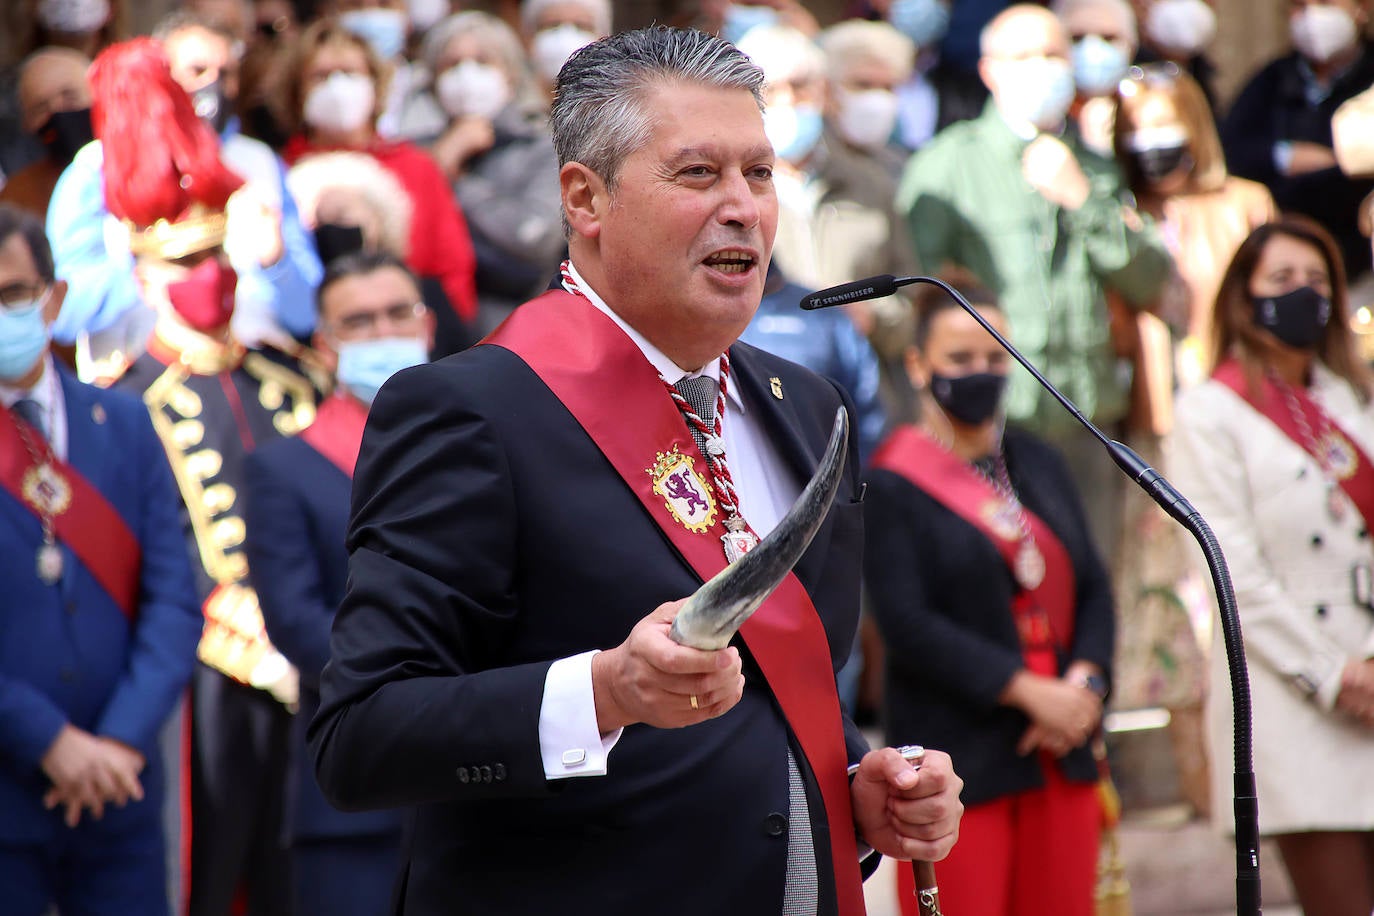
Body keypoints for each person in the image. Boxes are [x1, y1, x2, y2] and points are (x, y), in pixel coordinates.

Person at [309, 26, 963, 915]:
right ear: (586, 198)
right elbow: (361, 737)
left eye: (760, 174)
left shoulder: (806, 406)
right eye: (698, 174)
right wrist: (605, 693)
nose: (743, 207)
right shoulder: (472, 410)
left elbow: (786, 692)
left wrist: (857, 780)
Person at [87, 39, 317, 916]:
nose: (211, 279)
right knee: (209, 870)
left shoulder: (288, 379)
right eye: (187, 263)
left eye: (220, 255)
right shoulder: (123, 399)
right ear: (143, 270)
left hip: (315, 663)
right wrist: (246, 630)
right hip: (200, 679)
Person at [863, 277, 1113, 916]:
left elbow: (1092, 584)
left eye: (995, 358)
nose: (981, 373)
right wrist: (1032, 694)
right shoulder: (892, 481)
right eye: (960, 359)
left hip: (1062, 744)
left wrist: (1083, 688)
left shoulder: (1039, 460)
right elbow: (907, 623)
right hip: (962, 752)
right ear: (918, 366)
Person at [897, 3, 1171, 558]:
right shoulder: (945, 168)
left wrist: (1081, 199)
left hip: (1089, 426)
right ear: (989, 69)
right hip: (989, 427)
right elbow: (918, 302)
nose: (1042, 68)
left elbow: (1151, 279)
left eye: (1053, 55)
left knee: (1093, 584)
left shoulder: (1096, 169)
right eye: (1024, 56)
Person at [0, 203, 202, 916]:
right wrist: (50, 741)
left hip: (121, 791)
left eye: (12, 295)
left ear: (53, 299)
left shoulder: (121, 421)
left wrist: (118, 740)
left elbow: (175, 598)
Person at [1170, 217, 1374, 916]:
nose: (1303, 295)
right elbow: (1231, 573)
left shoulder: (1349, 398)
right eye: (1282, 280)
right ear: (1243, 297)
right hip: (1291, 692)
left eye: (1318, 281)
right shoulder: (1209, 412)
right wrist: (1334, 675)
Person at [243, 252, 427, 916]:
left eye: (398, 314)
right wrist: (422, 689)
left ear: (427, 326)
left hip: (476, 784)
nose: (384, 333)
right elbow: (295, 622)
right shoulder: (283, 469)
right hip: (354, 792)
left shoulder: (484, 446)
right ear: (325, 346)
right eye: (360, 321)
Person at [47, 13, 322, 379]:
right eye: (196, 71)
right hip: (141, 389)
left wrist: (276, 263)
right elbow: (61, 314)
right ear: (163, 78)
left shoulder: (261, 164)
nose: (211, 85)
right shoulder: (95, 169)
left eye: (225, 74)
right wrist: (152, 269)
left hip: (252, 385)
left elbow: (307, 313)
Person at [281, 17, 479, 331]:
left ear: (375, 85)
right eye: (320, 76)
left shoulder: (416, 167)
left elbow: (452, 269)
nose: (337, 85)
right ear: (297, 91)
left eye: (350, 73)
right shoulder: (280, 172)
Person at [419, 11, 567, 335]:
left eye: (483, 61)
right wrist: (441, 159)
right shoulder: (415, 152)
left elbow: (535, 239)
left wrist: (455, 184)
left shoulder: (543, 146)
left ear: (511, 73)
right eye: (451, 64)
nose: (466, 75)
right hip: (432, 332)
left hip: (517, 330)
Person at [1220, 0, 1374, 279]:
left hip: (1361, 261)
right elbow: (1231, 149)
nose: (1313, 16)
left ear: (1362, 8)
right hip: (1286, 260)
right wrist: (1285, 156)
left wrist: (1339, 161)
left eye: (1325, 3)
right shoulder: (1272, 79)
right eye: (1300, 5)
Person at [0, 47, 91, 219]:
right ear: (26, 124)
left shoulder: (141, 167)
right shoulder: (18, 197)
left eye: (70, 97)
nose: (57, 111)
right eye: (41, 108)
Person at [1053, 0, 1138, 156]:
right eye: (1077, 38)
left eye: (1108, 38)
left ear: (1131, 47)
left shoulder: (1144, 115)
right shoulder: (1047, 119)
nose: (1093, 49)